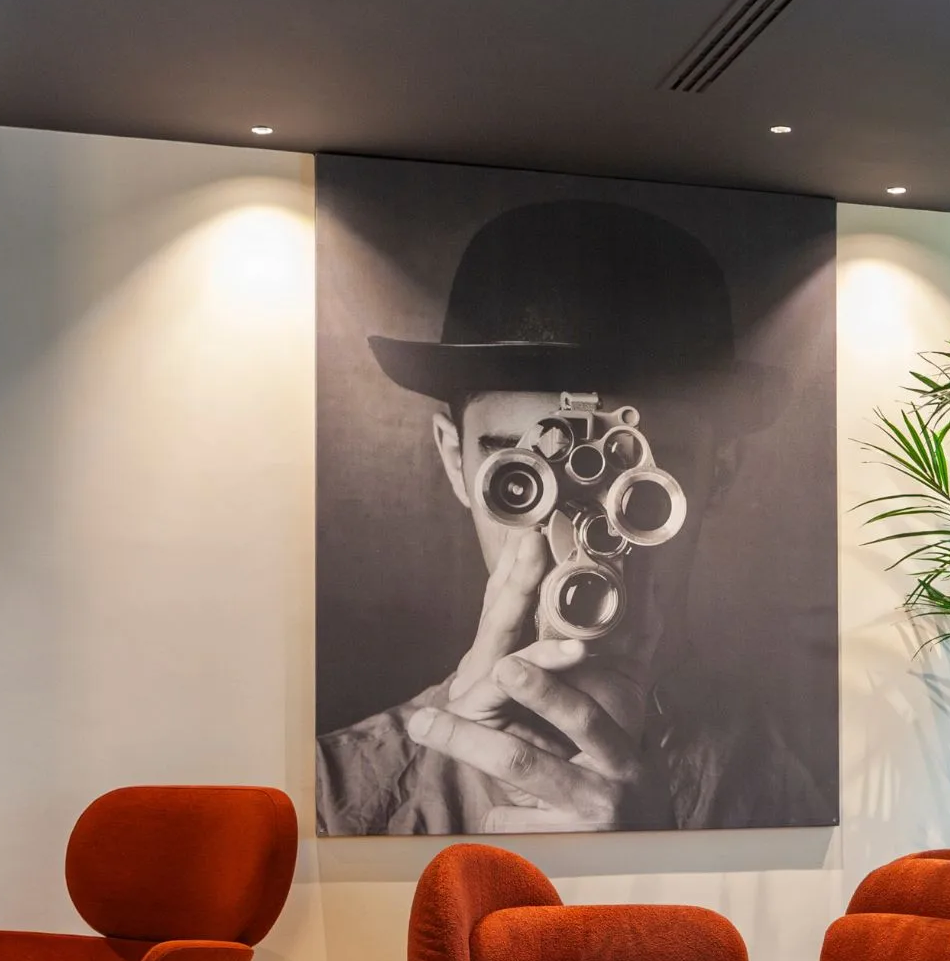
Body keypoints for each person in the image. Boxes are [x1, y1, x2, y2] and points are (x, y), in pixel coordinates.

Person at [315, 198, 832, 835]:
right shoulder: (335, 797)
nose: (571, 537)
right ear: (455, 460)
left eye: (639, 489)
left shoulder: (821, 790)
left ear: (718, 472)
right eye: (520, 481)